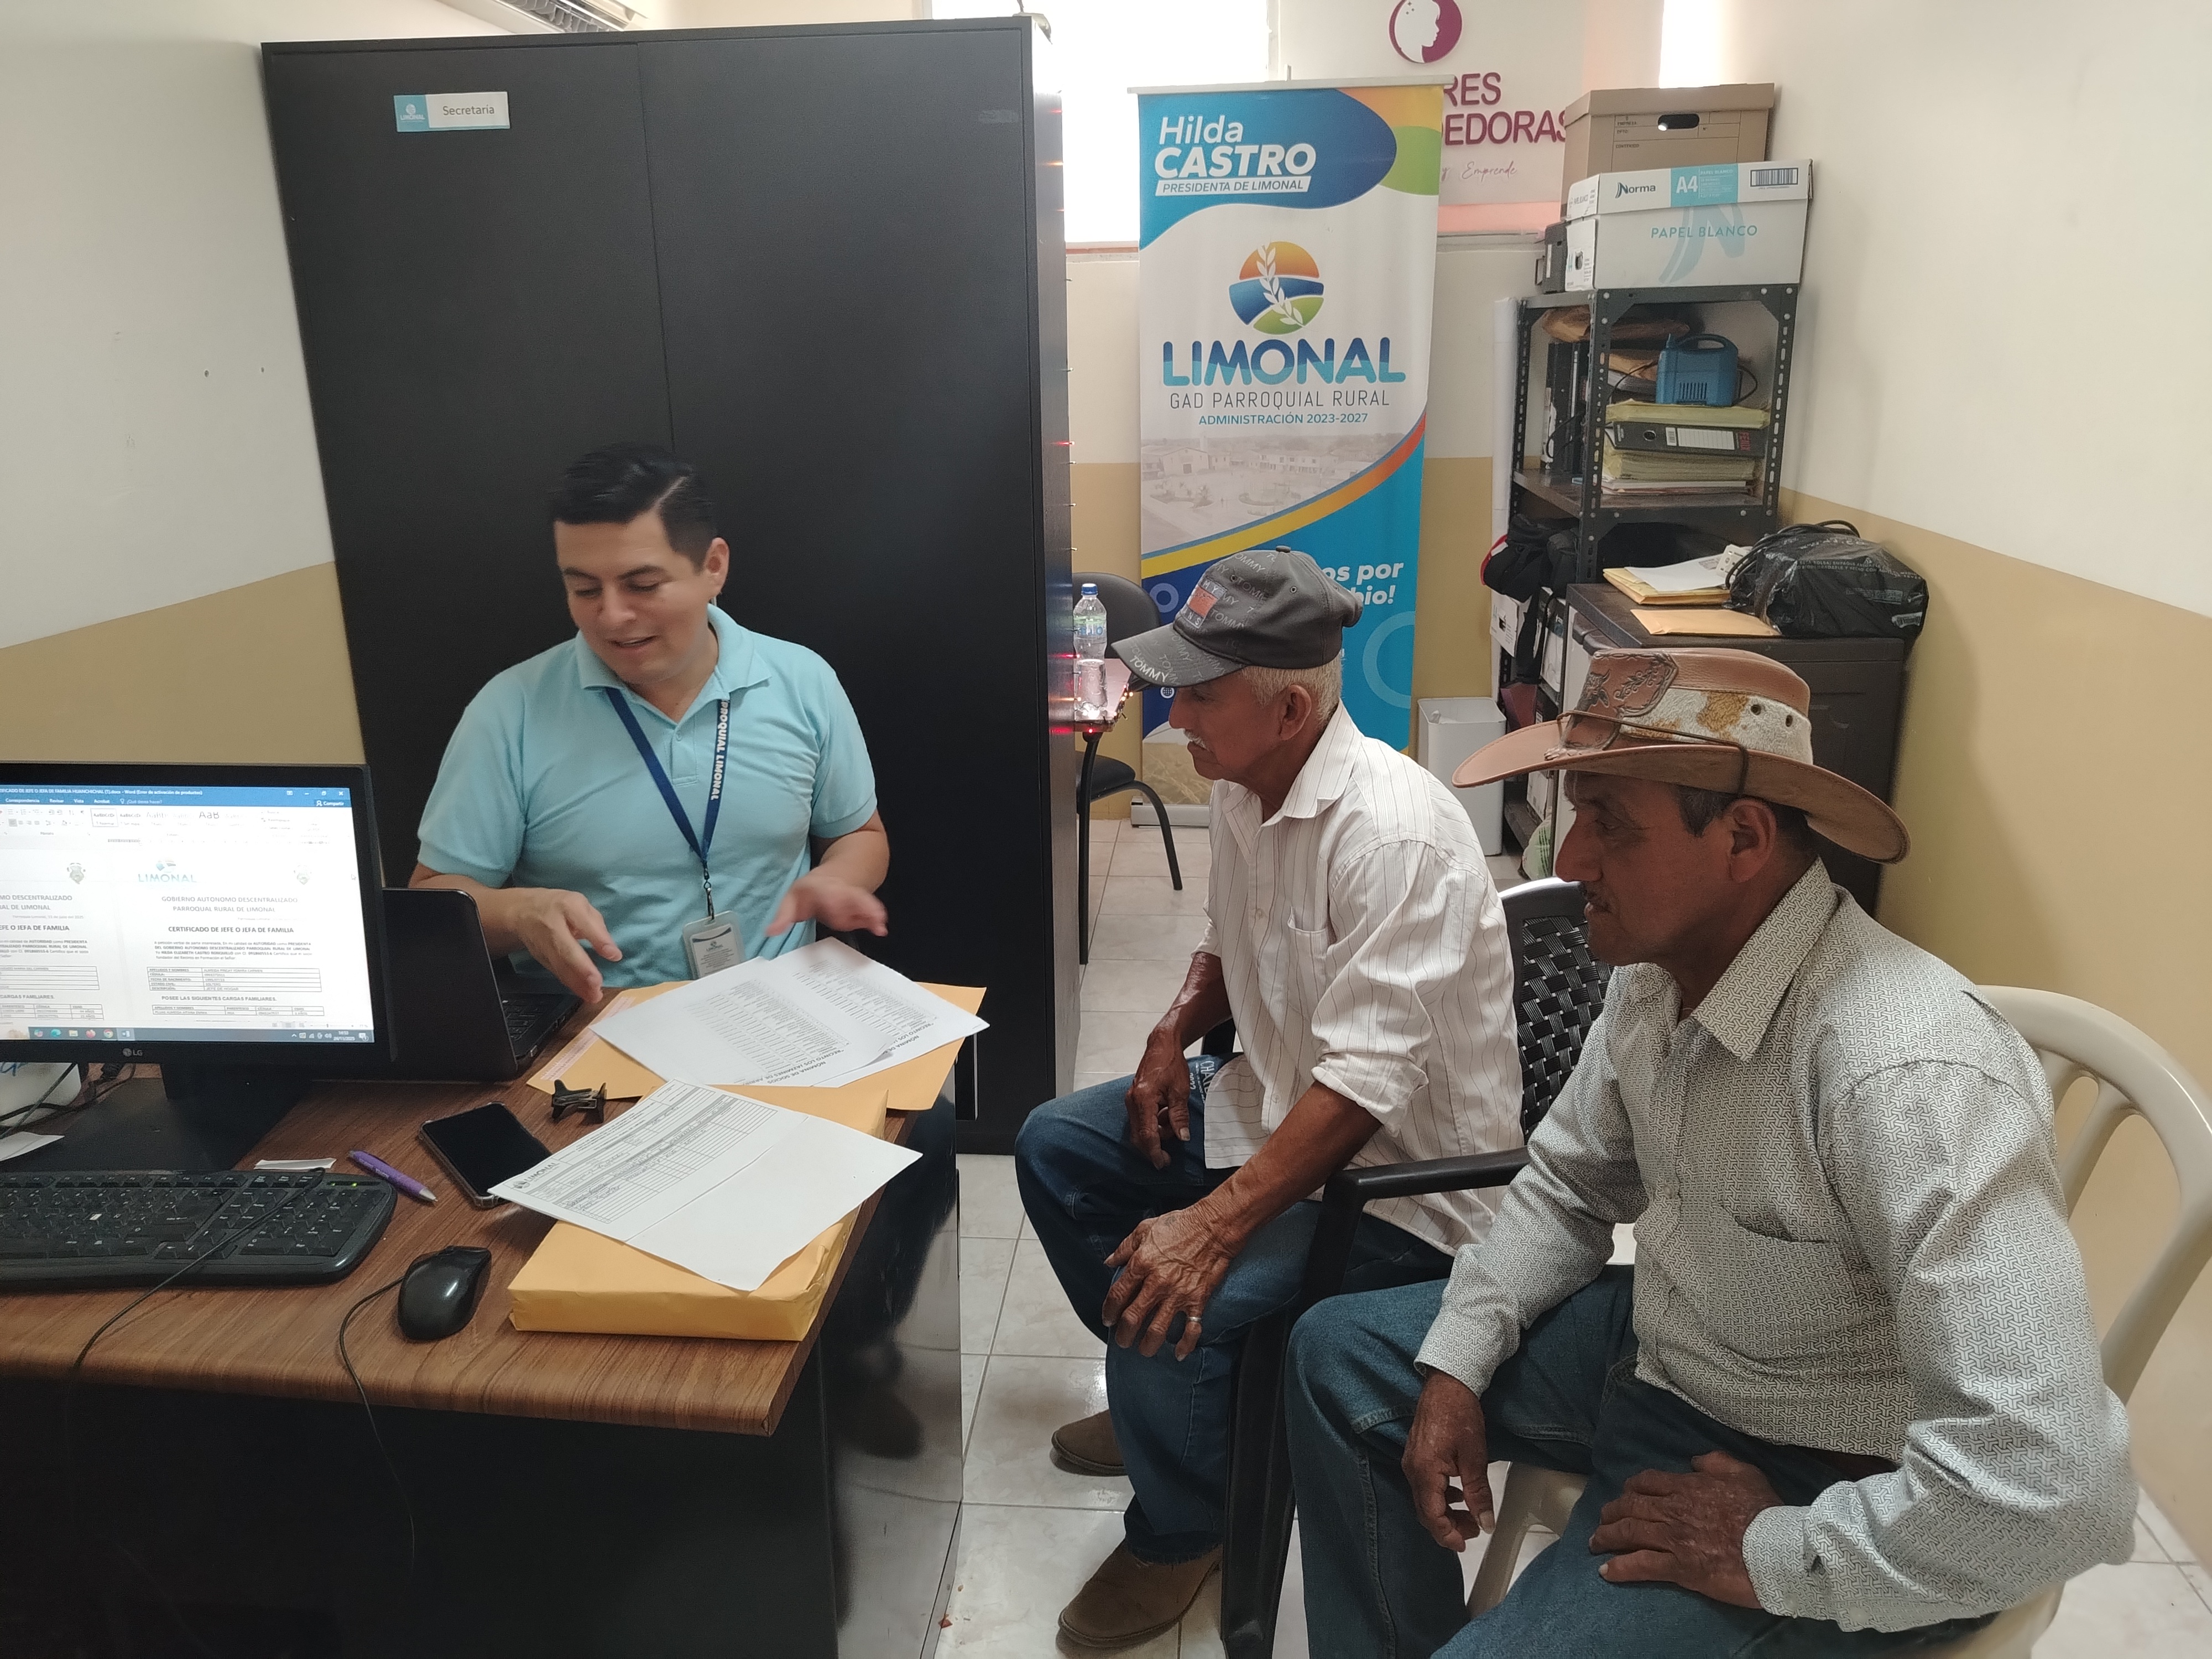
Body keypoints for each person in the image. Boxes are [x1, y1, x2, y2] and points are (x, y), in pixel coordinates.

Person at [1286, 646, 2137, 1656]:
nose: (1571, 860)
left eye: (1611, 822)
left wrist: (1779, 1550)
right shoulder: (1659, 976)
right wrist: (1459, 1361)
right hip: (1672, 1355)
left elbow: (2053, 1486)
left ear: (1743, 838)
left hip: (1824, 1466)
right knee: (1341, 1356)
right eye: (1576, 813)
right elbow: (1568, 1184)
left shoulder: (1905, 1073)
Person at [1014, 546, 1524, 1651]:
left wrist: (1209, 1227)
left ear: (1289, 709)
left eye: (1200, 696)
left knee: (1166, 1287)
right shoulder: (1245, 783)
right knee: (1058, 1145)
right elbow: (1228, 940)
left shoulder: (1391, 836)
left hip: (1399, 1191)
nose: (1173, 716)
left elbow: (1364, 1089)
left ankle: (1184, 1524)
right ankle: (1173, 1422)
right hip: (1285, 1099)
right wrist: (1170, 1031)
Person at [411, 444, 888, 997]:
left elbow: (859, 834)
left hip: (781, 1006)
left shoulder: (801, 680)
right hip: (598, 1023)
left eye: (642, 585)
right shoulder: (510, 711)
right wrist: (518, 913)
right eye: (584, 588)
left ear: (713, 567)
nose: (612, 615)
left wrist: (836, 880)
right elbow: (432, 899)